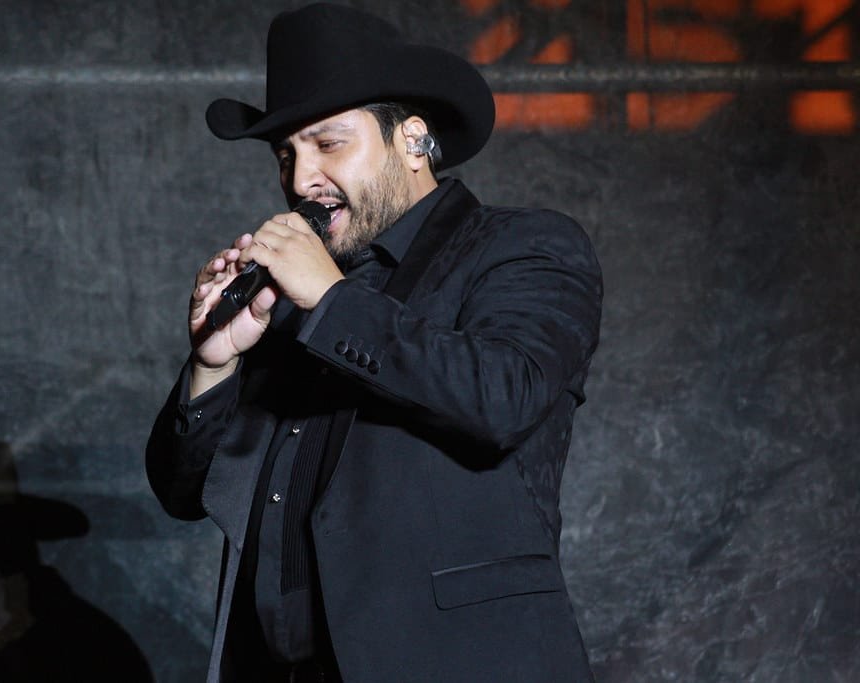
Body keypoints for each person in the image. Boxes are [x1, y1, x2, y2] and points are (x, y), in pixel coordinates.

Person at [146, 3, 602, 681]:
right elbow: (184, 493)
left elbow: (504, 398)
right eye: (285, 155)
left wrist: (331, 301)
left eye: (328, 144)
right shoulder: (288, 303)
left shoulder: (522, 246)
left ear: (413, 141)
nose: (300, 180)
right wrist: (213, 365)